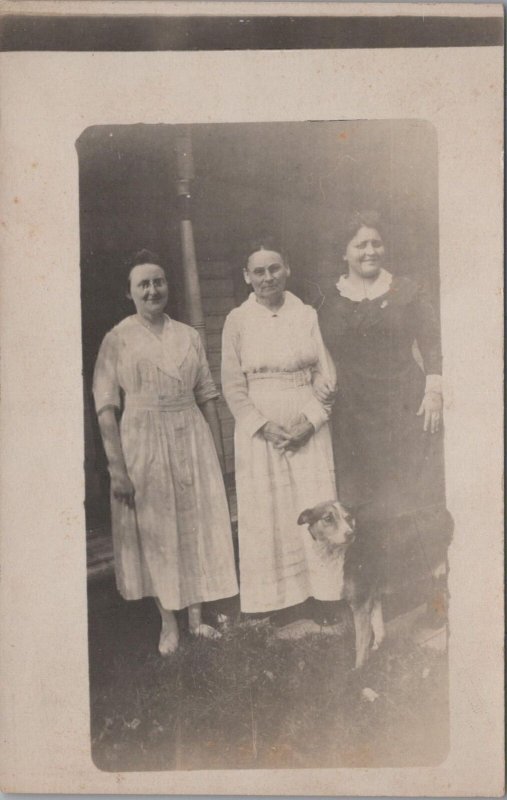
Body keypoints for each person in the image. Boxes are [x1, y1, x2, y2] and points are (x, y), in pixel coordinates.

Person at [93, 250, 238, 655]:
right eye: (144, 284)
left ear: (167, 286)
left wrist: (217, 453)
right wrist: (117, 468)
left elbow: (207, 395)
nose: (153, 290)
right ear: (130, 293)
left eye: (159, 282)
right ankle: (168, 621)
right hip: (142, 437)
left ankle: (196, 615)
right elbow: (106, 407)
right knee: (158, 530)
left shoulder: (188, 335)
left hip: (190, 434)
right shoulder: (117, 339)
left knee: (194, 523)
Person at [317, 211, 453, 602]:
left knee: (413, 496)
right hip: (354, 414)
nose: (370, 251)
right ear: (345, 252)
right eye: (360, 244)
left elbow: (432, 343)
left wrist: (434, 389)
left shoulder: (407, 290)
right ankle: (379, 593)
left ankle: (428, 590)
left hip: (404, 407)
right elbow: (315, 350)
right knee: (367, 503)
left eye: (376, 243)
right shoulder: (328, 299)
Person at [221, 241, 339, 617]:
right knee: (268, 510)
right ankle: (280, 603)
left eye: (274, 268)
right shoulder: (236, 320)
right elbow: (232, 386)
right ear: (246, 277)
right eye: (259, 271)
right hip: (261, 431)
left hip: (306, 423)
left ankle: (324, 595)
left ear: (286, 269)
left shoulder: (305, 314)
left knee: (315, 502)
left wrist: (310, 422)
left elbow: (326, 373)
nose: (267, 277)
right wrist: (264, 427)